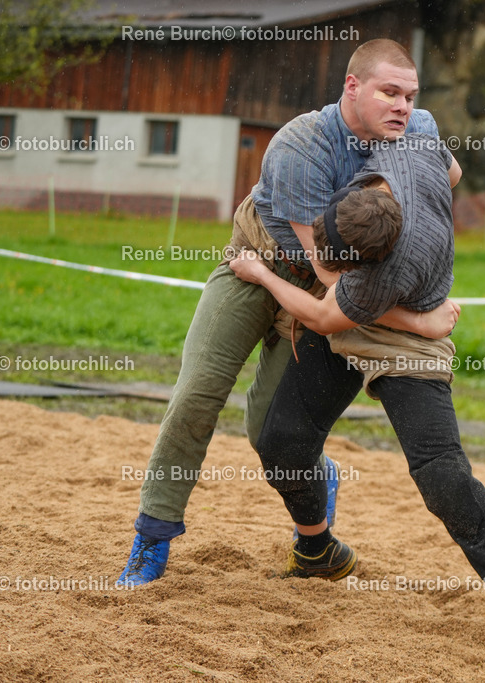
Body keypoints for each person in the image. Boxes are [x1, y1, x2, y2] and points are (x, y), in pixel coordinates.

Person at [116, 39, 459, 586]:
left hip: (323, 289)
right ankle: (152, 537)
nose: (402, 105)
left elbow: (449, 177)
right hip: (260, 265)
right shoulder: (302, 145)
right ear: (352, 87)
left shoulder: (416, 129)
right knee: (197, 395)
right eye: (389, 92)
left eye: (410, 95)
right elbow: (330, 280)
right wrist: (419, 323)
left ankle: (318, 486)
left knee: (270, 434)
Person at [229, 134, 485, 659]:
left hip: (410, 341)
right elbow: (452, 168)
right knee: (282, 442)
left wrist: (258, 272)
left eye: (341, 263)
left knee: (442, 476)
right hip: (377, 315)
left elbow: (327, 313)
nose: (328, 263)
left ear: (368, 263)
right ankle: (317, 549)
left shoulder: (383, 273)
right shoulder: (405, 151)